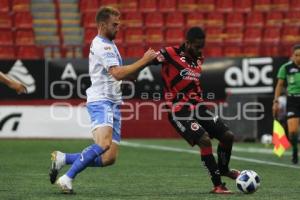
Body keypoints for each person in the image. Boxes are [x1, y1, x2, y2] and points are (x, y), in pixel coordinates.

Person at [49, 6, 157, 193]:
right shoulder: (103, 45)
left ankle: (63, 158)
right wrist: (144, 61)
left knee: (109, 158)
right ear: (102, 24)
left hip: (113, 102)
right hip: (102, 101)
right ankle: (67, 178)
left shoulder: (109, 44)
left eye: (119, 24)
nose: (118, 28)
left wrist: (145, 65)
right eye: (114, 25)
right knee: (103, 144)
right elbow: (117, 73)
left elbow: (127, 76)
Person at [153, 27, 240, 194]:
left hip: (199, 107)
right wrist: (132, 73)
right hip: (178, 111)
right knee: (204, 140)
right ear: (187, 43)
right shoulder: (170, 53)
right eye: (197, 46)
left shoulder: (199, 59)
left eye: (202, 47)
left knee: (228, 136)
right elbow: (150, 60)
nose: (200, 50)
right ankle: (218, 185)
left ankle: (223, 169)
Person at [273, 44, 300, 164]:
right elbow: (279, 85)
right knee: (292, 131)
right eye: (297, 55)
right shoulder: (286, 68)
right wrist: (276, 101)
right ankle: (295, 150)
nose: (299, 57)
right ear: (292, 56)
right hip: (293, 101)